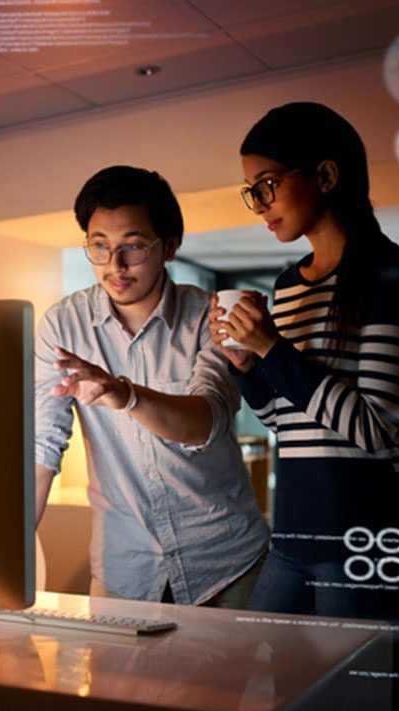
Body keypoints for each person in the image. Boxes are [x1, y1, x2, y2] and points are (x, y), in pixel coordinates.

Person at [209, 102, 399, 711]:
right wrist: (246, 364)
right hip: (296, 532)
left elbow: (370, 429)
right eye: (252, 191)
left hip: (368, 534)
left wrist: (274, 349)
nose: (259, 205)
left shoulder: (390, 273)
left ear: (326, 175)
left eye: (268, 185)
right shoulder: (287, 285)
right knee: (280, 710)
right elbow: (290, 420)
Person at [35, 165, 269, 608]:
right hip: (125, 565)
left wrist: (126, 395)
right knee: (113, 681)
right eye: (99, 247)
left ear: (170, 247)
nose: (114, 266)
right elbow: (42, 446)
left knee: (223, 680)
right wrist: (10, 556)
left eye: (133, 247)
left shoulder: (208, 317)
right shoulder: (63, 325)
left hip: (225, 562)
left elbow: (207, 421)